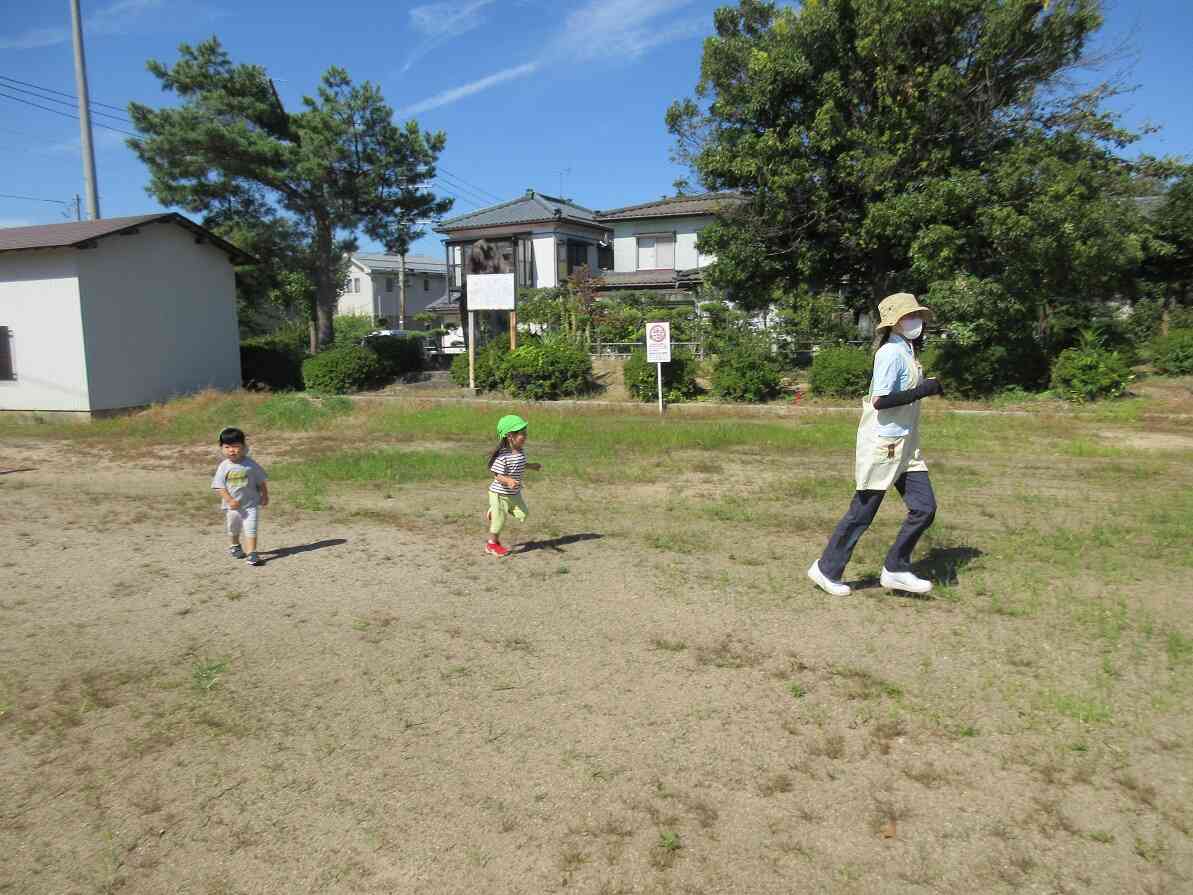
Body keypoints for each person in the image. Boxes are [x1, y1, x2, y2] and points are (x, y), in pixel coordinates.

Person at [808, 293, 944, 596]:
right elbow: (881, 401)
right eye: (910, 316)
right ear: (894, 322)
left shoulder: (906, 350)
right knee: (862, 512)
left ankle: (896, 568)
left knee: (924, 508)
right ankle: (827, 569)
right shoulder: (890, 354)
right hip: (885, 444)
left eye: (918, 316)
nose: (916, 321)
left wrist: (924, 387)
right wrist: (924, 390)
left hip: (907, 445)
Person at [211, 427, 269, 567]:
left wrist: (265, 495)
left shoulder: (250, 464)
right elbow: (220, 486)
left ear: (244, 447)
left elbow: (261, 480)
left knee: (251, 528)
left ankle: (252, 553)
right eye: (227, 447)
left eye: (236, 446)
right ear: (222, 448)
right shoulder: (223, 466)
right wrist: (229, 500)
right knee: (233, 529)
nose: (232, 450)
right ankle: (235, 545)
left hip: (250, 504)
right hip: (233, 507)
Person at [485, 414, 541, 557]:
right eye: (522, 433)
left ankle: (494, 511)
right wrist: (508, 480)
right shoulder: (503, 456)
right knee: (499, 522)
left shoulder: (520, 451)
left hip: (514, 493)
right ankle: (492, 545)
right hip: (499, 493)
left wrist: (531, 466)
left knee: (523, 514)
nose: (526, 436)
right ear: (510, 436)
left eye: (525, 432)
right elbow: (497, 474)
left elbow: (520, 464)